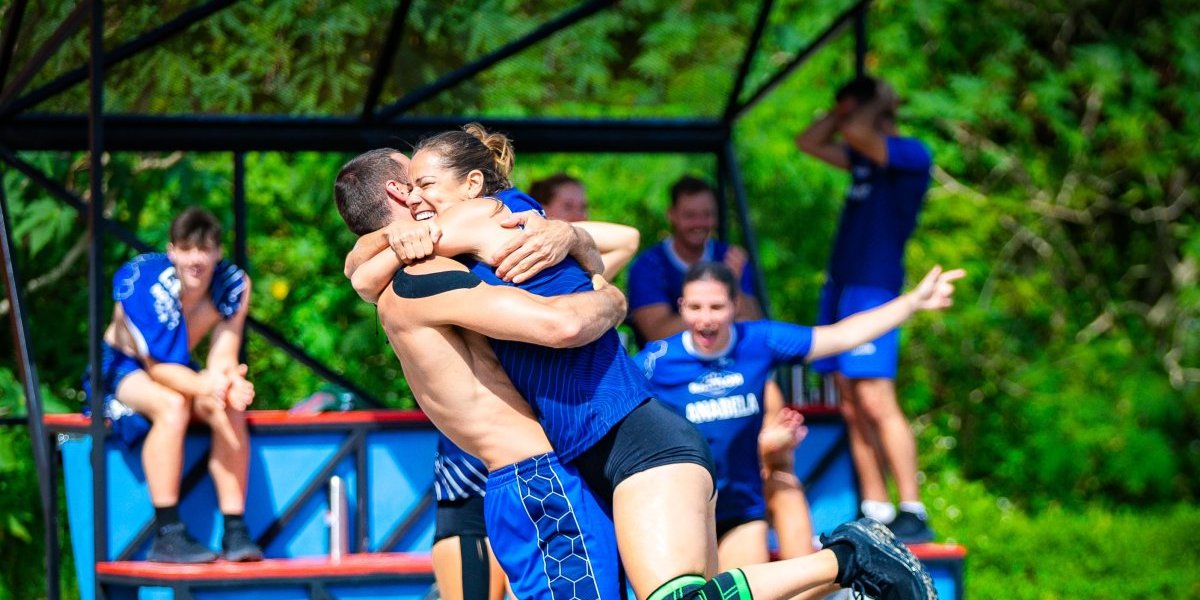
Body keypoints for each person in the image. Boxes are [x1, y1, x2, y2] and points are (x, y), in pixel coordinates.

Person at [348, 123, 938, 600]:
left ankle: (848, 558)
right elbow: (363, 273)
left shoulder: (481, 218)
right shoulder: (465, 239)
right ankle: (851, 565)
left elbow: (367, 275)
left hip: (635, 436)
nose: (417, 198)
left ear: (473, 182)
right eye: (411, 188)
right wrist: (579, 248)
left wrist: (592, 271)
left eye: (426, 184)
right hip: (594, 451)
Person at [335, 147, 630, 600]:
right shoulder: (423, 275)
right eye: (419, 180)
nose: (430, 189)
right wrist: (611, 300)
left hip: (517, 482)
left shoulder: (399, 278)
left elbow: (358, 272)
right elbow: (561, 325)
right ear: (399, 191)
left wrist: (566, 232)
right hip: (538, 478)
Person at [637, 261, 964, 572]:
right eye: (695, 307)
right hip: (686, 509)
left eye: (716, 307)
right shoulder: (657, 361)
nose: (705, 319)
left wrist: (912, 302)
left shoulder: (758, 341)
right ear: (681, 306)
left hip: (741, 509)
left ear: (735, 305)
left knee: (745, 588)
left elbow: (843, 336)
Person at [624, 174, 809, 558]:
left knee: (784, 477)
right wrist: (716, 307)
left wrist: (734, 290)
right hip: (672, 394)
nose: (700, 223)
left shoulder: (730, 258)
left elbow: (752, 329)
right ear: (673, 215)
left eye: (707, 214)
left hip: (734, 385)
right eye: (690, 214)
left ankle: (814, 578)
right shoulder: (650, 266)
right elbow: (657, 330)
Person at [795, 76, 937, 543]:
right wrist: (843, 110)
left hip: (874, 288)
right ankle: (876, 507)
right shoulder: (862, 158)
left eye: (850, 109)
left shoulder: (911, 153)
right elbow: (808, 141)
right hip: (841, 286)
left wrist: (874, 101)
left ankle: (912, 508)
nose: (844, 120)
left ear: (873, 110)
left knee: (876, 398)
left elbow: (857, 132)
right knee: (852, 403)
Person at [82, 207, 261, 563]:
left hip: (179, 368)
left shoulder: (232, 285)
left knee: (229, 405)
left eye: (204, 249)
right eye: (187, 249)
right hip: (123, 368)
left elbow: (223, 356)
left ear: (217, 252)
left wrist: (230, 384)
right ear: (172, 251)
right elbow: (158, 369)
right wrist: (208, 384)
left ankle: (235, 529)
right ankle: (168, 533)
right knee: (172, 405)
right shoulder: (143, 282)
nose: (196, 259)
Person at [530, 172, 637, 280]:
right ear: (542, 208)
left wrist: (571, 235)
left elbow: (630, 240)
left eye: (583, 207)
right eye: (568, 206)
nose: (579, 215)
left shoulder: (589, 263)